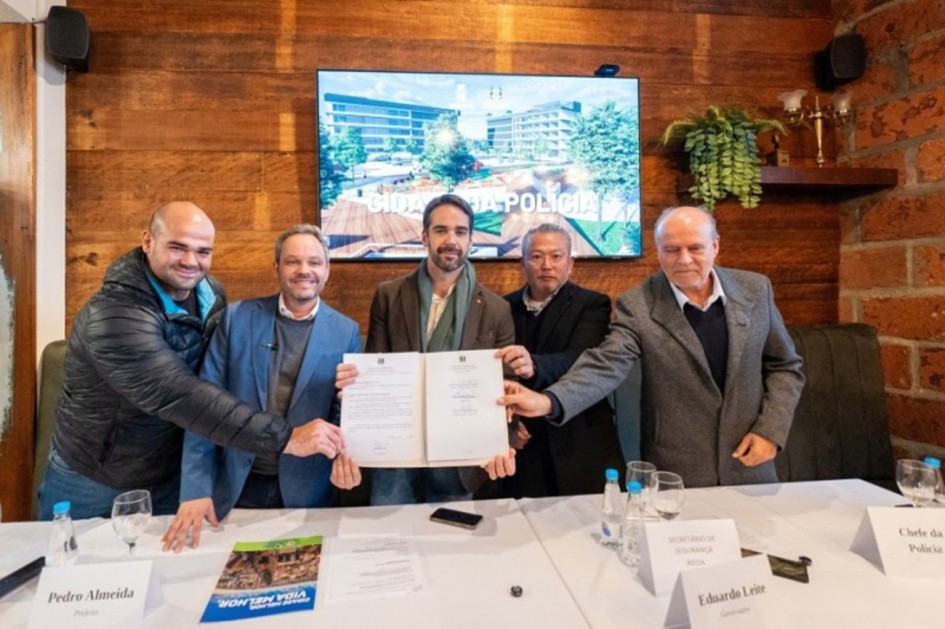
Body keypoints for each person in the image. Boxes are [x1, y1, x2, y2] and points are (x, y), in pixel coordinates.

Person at [38, 203, 337, 520]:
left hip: (173, 471)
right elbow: (182, 394)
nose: (190, 261)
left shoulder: (210, 294)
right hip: (97, 476)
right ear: (148, 241)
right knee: (76, 566)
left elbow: (220, 379)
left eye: (203, 251)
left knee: (168, 568)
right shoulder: (115, 314)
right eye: (177, 247)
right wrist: (287, 437)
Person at [500, 206, 804, 488]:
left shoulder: (755, 289)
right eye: (672, 249)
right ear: (659, 252)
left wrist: (770, 431)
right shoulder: (638, 304)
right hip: (676, 473)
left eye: (695, 248)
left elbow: (785, 366)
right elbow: (606, 364)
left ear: (715, 246)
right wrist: (548, 401)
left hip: (751, 463)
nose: (684, 259)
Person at [161, 224, 360, 551]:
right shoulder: (236, 318)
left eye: (314, 262)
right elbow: (202, 407)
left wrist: (346, 441)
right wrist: (196, 488)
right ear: (276, 268)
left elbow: (343, 416)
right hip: (235, 487)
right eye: (292, 262)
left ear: (327, 270)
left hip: (307, 493)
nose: (304, 271)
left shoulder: (346, 331)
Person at [335, 194, 517, 505]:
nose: (451, 240)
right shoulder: (389, 296)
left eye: (460, 232)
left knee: (450, 546)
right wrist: (355, 389)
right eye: (441, 230)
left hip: (460, 455)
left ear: (471, 240)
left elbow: (506, 386)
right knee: (389, 541)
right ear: (424, 237)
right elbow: (375, 367)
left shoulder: (496, 309)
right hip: (395, 454)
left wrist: (505, 440)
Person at [495, 223, 624, 497]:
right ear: (523, 263)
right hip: (524, 441)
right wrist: (506, 426)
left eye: (556, 256)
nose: (547, 265)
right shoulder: (502, 308)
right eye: (537, 256)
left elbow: (580, 358)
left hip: (579, 436)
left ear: (570, 263)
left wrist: (534, 366)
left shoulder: (593, 304)